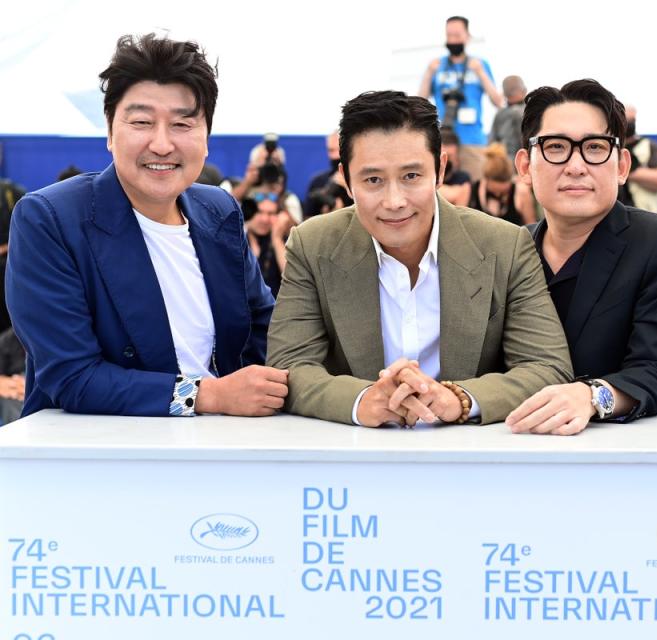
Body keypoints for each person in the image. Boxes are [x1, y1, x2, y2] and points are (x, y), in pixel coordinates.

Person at [5, 33, 286, 418]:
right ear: (109, 130)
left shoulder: (220, 209)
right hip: (101, 457)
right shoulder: (51, 219)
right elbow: (73, 377)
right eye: (141, 122)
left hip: (224, 445)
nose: (162, 144)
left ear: (206, 137)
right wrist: (207, 396)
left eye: (182, 125)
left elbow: (265, 331)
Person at [266, 91, 571, 427]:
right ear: (346, 180)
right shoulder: (312, 246)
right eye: (373, 180)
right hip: (354, 459)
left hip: (470, 457)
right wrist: (361, 400)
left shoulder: (506, 246)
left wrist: (460, 398)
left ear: (440, 169)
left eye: (411, 176)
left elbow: (547, 366)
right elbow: (289, 364)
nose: (395, 201)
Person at [505, 79, 657, 436]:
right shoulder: (508, 250)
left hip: (618, 455)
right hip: (507, 446)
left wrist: (593, 397)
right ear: (524, 165)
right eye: (555, 147)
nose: (576, 165)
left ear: (622, 165)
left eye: (595, 147)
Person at [418, 15, 503, 181]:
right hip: (444, 137)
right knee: (443, 189)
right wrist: (428, 74)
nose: (452, 40)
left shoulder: (480, 64)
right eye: (449, 35)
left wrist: (480, 73)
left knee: (475, 186)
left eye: (457, 35)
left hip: (472, 138)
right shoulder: (436, 65)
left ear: (467, 37)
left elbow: (498, 101)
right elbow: (420, 101)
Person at [467, 143, 536, 225]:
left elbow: (531, 226)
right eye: (493, 191)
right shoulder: (469, 190)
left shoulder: (522, 192)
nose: (498, 194)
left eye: (504, 192)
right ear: (486, 179)